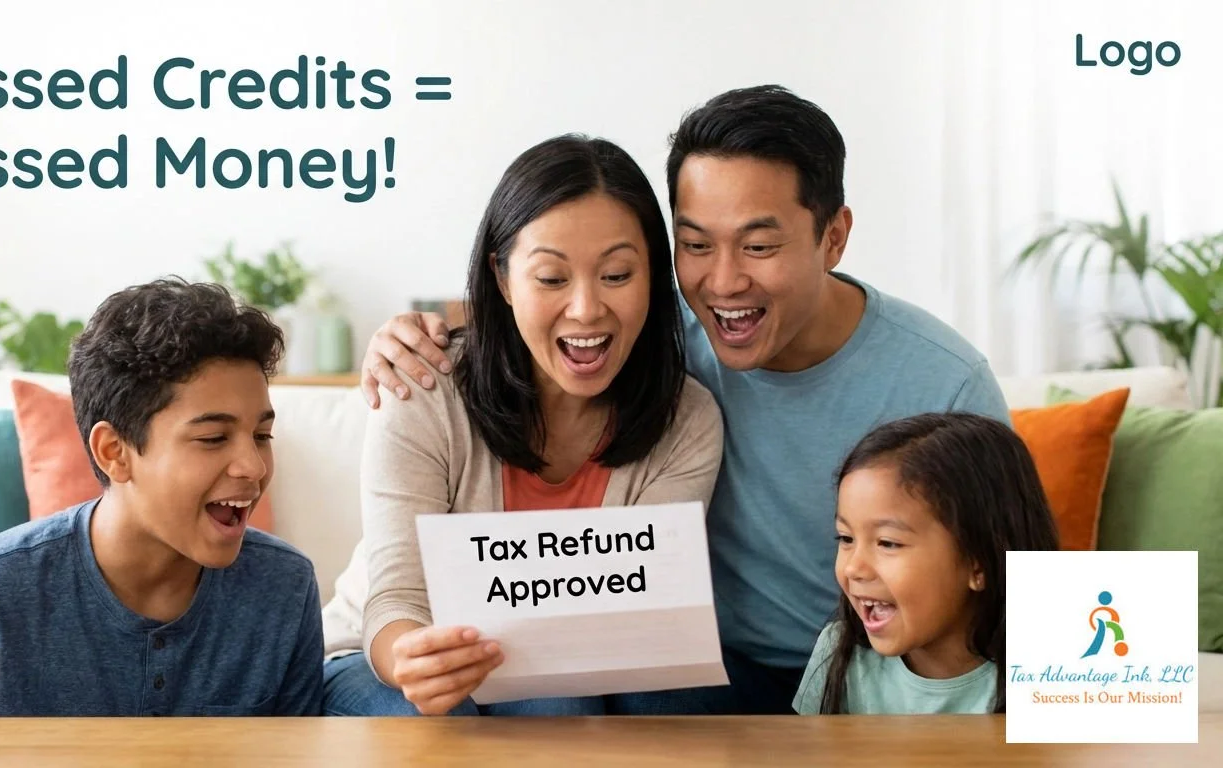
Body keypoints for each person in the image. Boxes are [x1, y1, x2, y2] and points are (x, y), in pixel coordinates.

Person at [354, 85, 1010, 714]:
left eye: (758, 245)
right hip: (710, 671)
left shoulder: (945, 382)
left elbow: (1014, 590)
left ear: (833, 237)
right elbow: (546, 311)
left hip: (878, 674)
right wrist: (408, 338)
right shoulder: (646, 340)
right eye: (695, 245)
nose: (723, 282)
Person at [319, 134, 724, 717]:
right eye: (552, 279)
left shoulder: (686, 419)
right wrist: (414, 657)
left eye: (616, 275)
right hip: (376, 657)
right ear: (504, 280)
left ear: (654, 277)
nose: (586, 309)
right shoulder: (424, 389)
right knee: (441, 720)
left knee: (562, 705)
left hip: (556, 669)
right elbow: (398, 595)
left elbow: (637, 616)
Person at [0, 279, 325, 724]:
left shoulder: (284, 587)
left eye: (262, 436)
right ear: (114, 453)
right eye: (213, 438)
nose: (253, 466)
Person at [793, 412, 1059, 714]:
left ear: (979, 564)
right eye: (845, 538)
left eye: (887, 543)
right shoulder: (839, 651)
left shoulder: (1062, 658)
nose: (854, 567)